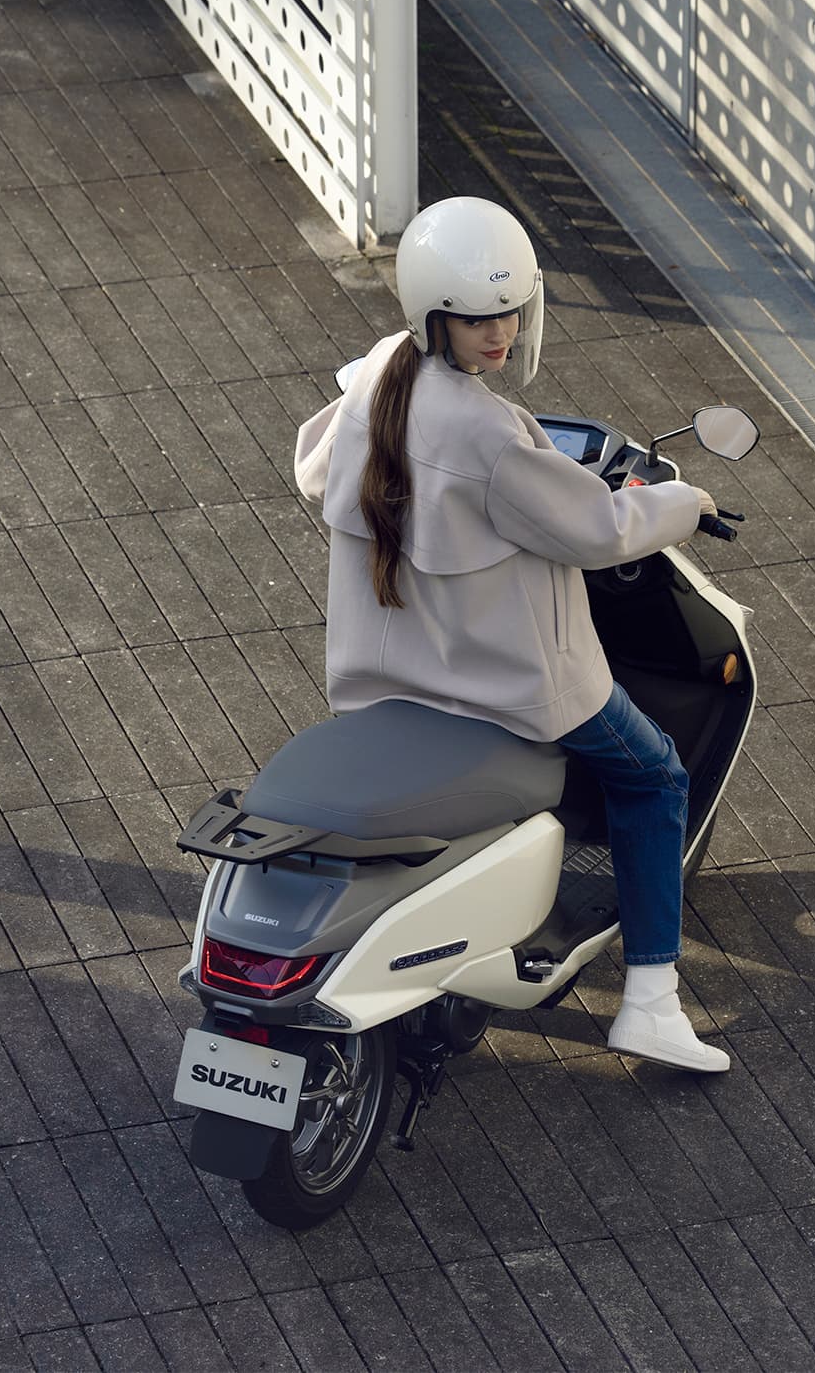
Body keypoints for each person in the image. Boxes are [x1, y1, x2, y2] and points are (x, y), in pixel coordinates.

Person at [293, 196, 729, 1073]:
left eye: (509, 312)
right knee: (654, 777)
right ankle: (651, 1003)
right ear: (436, 319)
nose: (499, 334)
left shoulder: (379, 379)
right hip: (511, 690)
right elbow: (599, 528)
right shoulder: (487, 431)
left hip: (386, 680)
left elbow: (313, 471)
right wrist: (685, 502)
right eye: (476, 319)